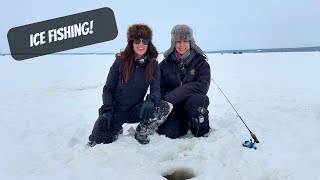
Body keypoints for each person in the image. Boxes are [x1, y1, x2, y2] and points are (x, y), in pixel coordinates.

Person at [88, 24, 173, 146]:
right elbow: (108, 89)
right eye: (137, 40)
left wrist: (150, 101)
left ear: (149, 43)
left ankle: (142, 132)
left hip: (136, 110)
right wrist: (107, 111)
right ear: (131, 42)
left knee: (164, 106)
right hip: (115, 111)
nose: (141, 44)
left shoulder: (152, 64)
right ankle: (115, 127)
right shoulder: (120, 61)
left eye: (145, 41)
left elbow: (155, 90)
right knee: (98, 141)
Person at [157, 24, 211, 139]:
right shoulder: (164, 65)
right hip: (174, 107)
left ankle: (198, 126)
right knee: (167, 133)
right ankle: (182, 122)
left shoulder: (201, 63)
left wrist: (173, 95)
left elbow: (202, 86)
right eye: (178, 41)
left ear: (191, 42)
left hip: (193, 104)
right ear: (173, 43)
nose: (182, 45)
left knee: (198, 101)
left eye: (185, 41)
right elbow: (159, 88)